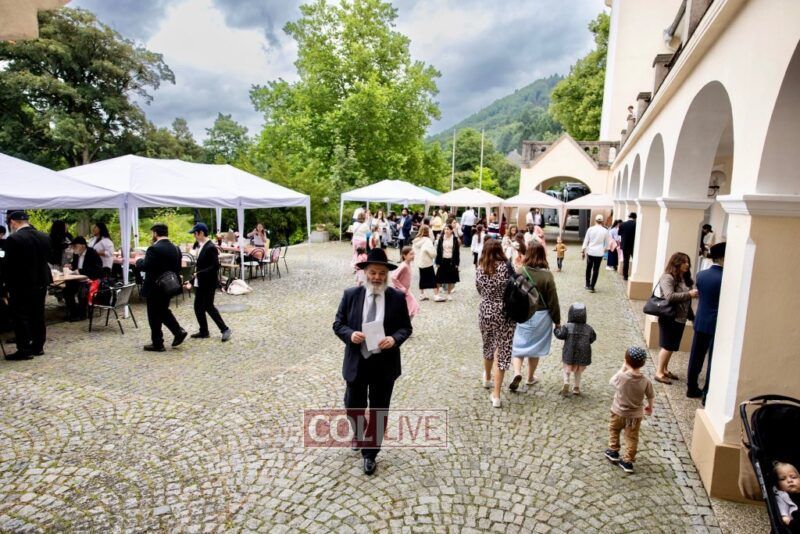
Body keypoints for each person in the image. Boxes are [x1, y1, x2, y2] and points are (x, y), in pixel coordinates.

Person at [332, 248, 413, 476]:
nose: (377, 277)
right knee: (352, 405)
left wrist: (393, 339)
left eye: (381, 273)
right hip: (357, 361)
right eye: (373, 272)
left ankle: (370, 454)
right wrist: (350, 335)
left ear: (387, 275)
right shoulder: (351, 295)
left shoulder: (397, 298)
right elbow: (338, 324)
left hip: (384, 364)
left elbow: (405, 328)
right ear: (365, 272)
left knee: (379, 410)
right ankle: (359, 434)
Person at [509, 242, 561, 392]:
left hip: (523, 314)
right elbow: (553, 301)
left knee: (518, 344)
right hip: (541, 316)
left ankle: (517, 372)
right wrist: (557, 321)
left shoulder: (521, 271)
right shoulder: (547, 276)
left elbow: (512, 294)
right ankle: (530, 377)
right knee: (535, 348)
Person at [2, 211, 52, 360]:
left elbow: (8, 266)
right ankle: (38, 346)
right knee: (38, 314)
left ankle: (24, 349)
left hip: (21, 284)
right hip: (41, 282)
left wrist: (4, 287)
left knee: (21, 316)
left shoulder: (14, 239)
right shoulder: (44, 236)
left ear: (13, 222)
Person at [476, 239, 515, 408]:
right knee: (502, 351)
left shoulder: (480, 268)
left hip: (485, 310)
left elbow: (479, 289)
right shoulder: (506, 267)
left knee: (488, 345)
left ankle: (487, 378)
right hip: (504, 312)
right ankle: (497, 395)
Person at [604, 347, 655, 474]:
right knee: (632, 438)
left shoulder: (622, 377)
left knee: (614, 430)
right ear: (643, 363)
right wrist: (650, 406)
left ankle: (613, 451)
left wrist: (623, 367)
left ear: (626, 360)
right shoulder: (645, 381)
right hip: (635, 416)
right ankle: (628, 461)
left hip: (618, 412)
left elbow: (612, 381)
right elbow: (650, 395)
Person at [687, 242, 725, 402]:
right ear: (723, 258)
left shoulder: (701, 275)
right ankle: (706, 393)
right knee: (712, 360)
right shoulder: (725, 278)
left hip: (701, 320)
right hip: (716, 324)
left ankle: (691, 387)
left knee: (696, 356)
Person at [141, 223, 187, 352]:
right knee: (162, 311)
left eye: (152, 233)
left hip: (154, 287)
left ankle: (159, 342)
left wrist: (139, 262)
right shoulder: (175, 248)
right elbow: (178, 268)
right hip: (169, 285)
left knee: (153, 314)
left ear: (155, 233)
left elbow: (146, 266)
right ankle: (176, 332)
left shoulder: (153, 249)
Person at [654, 252, 698, 384]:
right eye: (684, 262)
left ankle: (665, 369)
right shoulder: (667, 277)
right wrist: (689, 294)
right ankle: (659, 372)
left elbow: (686, 302)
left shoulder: (683, 278)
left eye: (688, 262)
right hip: (670, 317)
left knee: (672, 346)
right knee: (667, 345)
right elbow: (669, 296)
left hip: (680, 318)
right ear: (676, 263)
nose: (687, 264)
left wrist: (692, 317)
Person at [185, 223, 232, 342]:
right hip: (201, 281)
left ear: (201, 233)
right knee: (198, 307)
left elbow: (215, 266)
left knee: (209, 306)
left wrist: (199, 273)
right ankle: (204, 331)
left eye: (195, 233)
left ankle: (225, 329)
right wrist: (192, 279)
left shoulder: (210, 247)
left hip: (208, 282)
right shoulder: (201, 245)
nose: (194, 236)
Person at [554, 303, 597, 396]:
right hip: (583, 353)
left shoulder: (567, 326)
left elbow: (560, 335)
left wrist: (557, 329)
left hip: (569, 352)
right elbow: (593, 338)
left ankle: (566, 381)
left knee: (566, 367)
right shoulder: (588, 328)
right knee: (578, 371)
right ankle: (576, 387)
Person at [61, 236, 103, 322]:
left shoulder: (92, 253)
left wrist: (81, 271)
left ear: (83, 245)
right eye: (73, 246)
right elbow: (75, 266)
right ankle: (73, 313)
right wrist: (70, 266)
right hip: (78, 279)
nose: (73, 248)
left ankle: (82, 314)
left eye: (75, 246)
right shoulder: (76, 254)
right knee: (66, 290)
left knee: (82, 290)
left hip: (90, 280)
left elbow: (97, 269)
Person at [581, 214, 610, 293]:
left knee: (588, 268)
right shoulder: (605, 230)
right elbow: (607, 243)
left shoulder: (590, 229)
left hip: (590, 251)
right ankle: (592, 287)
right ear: (602, 221)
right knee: (596, 269)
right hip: (599, 253)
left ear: (595, 220)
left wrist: (583, 250)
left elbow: (586, 240)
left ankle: (587, 284)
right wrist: (604, 250)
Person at [391, 246, 419, 319]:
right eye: (411, 254)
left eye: (413, 254)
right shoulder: (404, 266)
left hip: (405, 291)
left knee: (409, 308)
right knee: (413, 306)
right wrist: (402, 288)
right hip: (401, 291)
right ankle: (405, 323)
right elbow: (393, 277)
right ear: (404, 255)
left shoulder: (407, 264)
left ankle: (404, 323)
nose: (413, 256)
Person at [411, 225, 439, 301]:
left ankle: (422, 294)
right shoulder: (427, 240)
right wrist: (434, 255)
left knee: (422, 278)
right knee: (432, 278)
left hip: (419, 262)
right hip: (427, 261)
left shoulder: (415, 241)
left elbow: (413, 251)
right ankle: (436, 295)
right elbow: (432, 252)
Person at [434, 225, 460, 301]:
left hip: (451, 261)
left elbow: (457, 252)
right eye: (445, 229)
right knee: (439, 278)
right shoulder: (441, 238)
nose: (446, 230)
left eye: (448, 229)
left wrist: (457, 263)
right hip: (442, 260)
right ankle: (436, 294)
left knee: (450, 278)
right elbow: (438, 251)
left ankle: (448, 294)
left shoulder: (455, 239)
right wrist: (437, 262)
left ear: (451, 230)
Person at [773, 462, 800, 529]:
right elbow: (782, 509)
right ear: (778, 485)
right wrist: (784, 517)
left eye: (793, 477)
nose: (789, 480)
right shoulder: (782, 496)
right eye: (782, 479)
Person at [618, 213, 637, 280]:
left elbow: (619, 233)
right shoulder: (636, 224)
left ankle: (625, 276)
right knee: (635, 260)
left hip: (625, 245)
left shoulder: (622, 224)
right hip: (633, 245)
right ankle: (635, 274)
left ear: (629, 217)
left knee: (626, 261)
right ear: (635, 218)